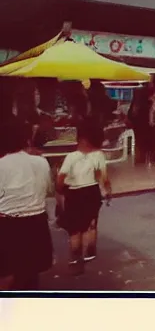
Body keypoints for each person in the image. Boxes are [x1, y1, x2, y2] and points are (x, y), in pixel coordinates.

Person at [0, 118, 54, 290]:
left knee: (6, 274)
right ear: (26, 139)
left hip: (8, 223)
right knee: (31, 274)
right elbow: (47, 189)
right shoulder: (41, 162)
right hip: (37, 223)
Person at [56, 118, 112, 275]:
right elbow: (103, 177)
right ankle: (90, 252)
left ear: (81, 139)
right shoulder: (99, 155)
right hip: (92, 191)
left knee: (75, 229)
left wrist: (59, 191)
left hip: (75, 192)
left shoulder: (72, 156)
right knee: (91, 223)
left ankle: (75, 258)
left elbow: (61, 179)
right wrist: (107, 192)